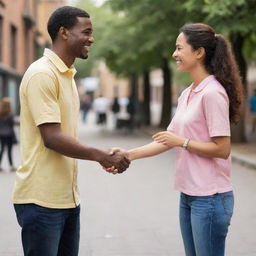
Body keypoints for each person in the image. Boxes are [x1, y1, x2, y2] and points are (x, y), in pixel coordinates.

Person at [110, 23, 243, 256]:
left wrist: (183, 142)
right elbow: (166, 139)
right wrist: (127, 155)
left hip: (210, 199)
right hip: (189, 195)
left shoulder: (213, 93)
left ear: (199, 52)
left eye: (179, 48)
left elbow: (222, 149)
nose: (175, 54)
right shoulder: (188, 93)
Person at [12, 6, 129, 256]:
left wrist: (103, 154)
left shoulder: (67, 76)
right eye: (86, 31)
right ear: (64, 32)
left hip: (67, 199)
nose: (91, 38)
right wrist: (101, 155)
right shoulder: (42, 74)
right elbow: (52, 137)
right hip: (41, 200)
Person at [0, 97, 17, 171]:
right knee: (9, 150)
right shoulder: (10, 115)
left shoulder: (0, 114)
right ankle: (11, 166)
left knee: (2, 150)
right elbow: (12, 124)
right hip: (9, 134)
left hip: (1, 134)